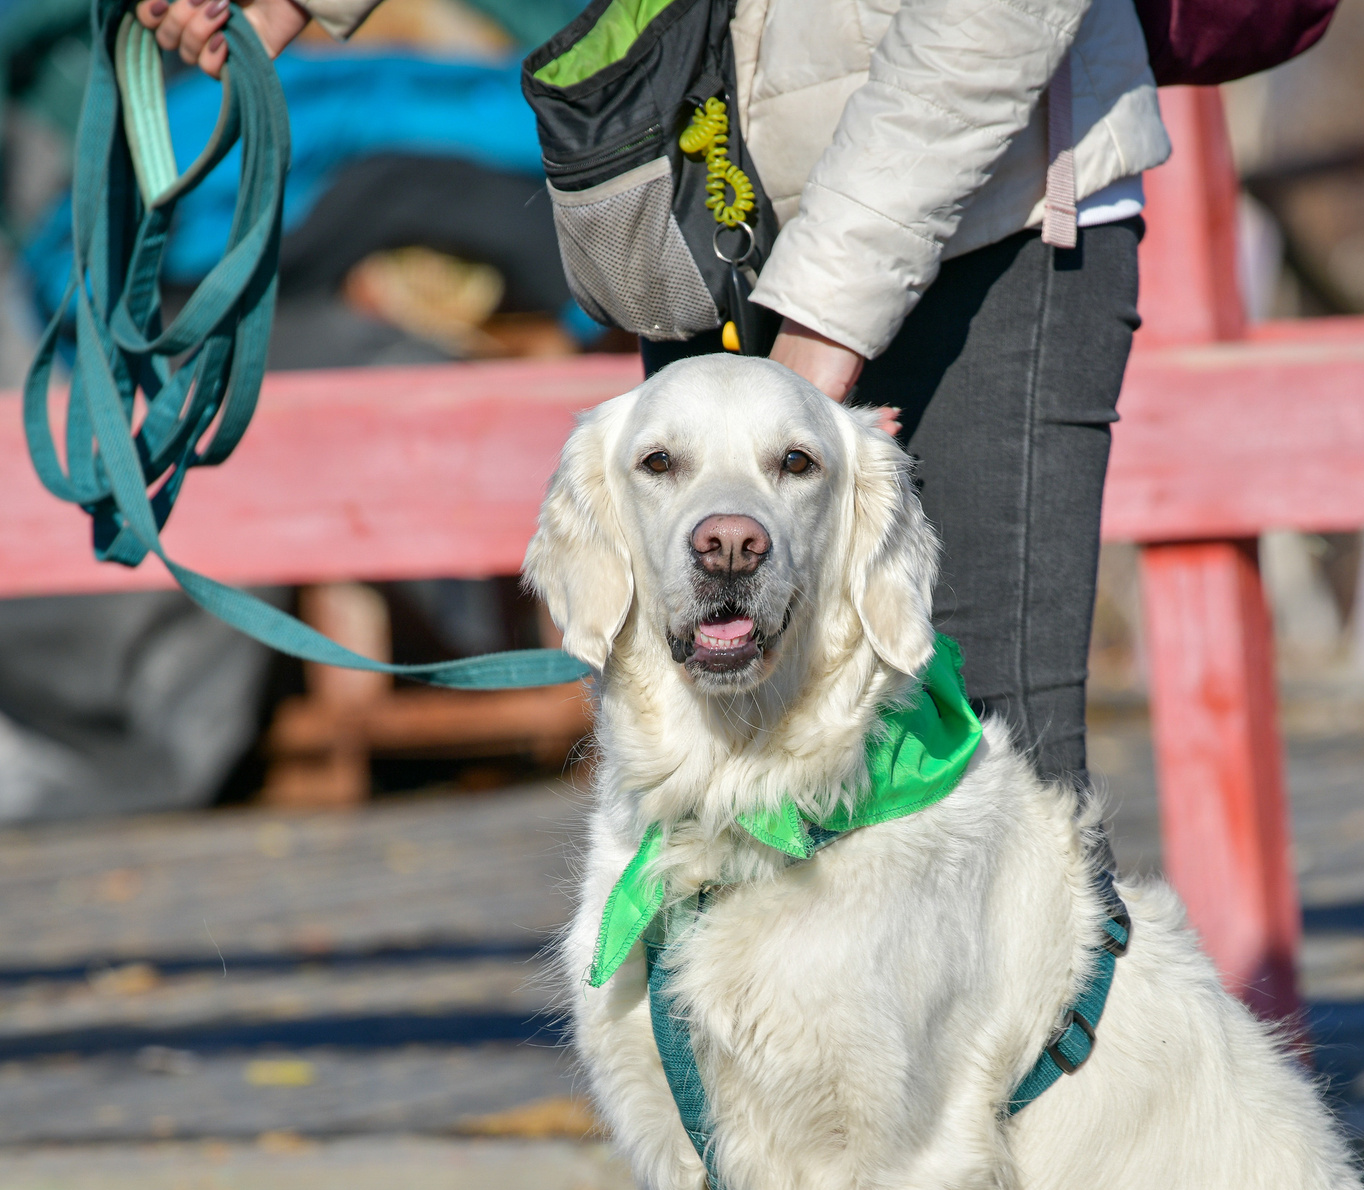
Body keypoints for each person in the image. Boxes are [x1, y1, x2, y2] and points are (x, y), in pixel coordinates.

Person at [137, 0, 1169, 794]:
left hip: (993, 210)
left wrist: (814, 347)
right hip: (700, 190)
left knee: (991, 779)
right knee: (702, 772)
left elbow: (986, 29)